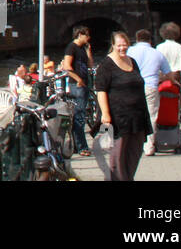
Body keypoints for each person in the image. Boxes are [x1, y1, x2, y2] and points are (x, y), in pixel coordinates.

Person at [95, 31, 152, 181]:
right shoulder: (106, 65)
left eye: (125, 44)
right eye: (119, 45)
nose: (122, 48)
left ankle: (128, 178)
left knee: (135, 152)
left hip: (137, 116)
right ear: (113, 45)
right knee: (118, 155)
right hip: (118, 117)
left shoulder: (132, 61)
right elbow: (101, 90)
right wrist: (105, 114)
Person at [127, 30, 171, 156]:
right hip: (151, 86)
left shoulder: (129, 51)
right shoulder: (157, 54)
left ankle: (133, 144)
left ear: (136, 39)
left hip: (132, 86)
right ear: (150, 40)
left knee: (133, 114)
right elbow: (168, 73)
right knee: (152, 116)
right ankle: (149, 147)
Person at [61, 27, 93, 157]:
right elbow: (67, 66)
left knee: (80, 114)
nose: (88, 38)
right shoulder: (71, 48)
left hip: (84, 84)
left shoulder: (82, 49)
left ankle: (76, 145)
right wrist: (78, 79)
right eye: (87, 35)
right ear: (80, 35)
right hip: (77, 85)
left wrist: (89, 52)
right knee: (79, 115)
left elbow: (90, 65)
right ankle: (81, 147)